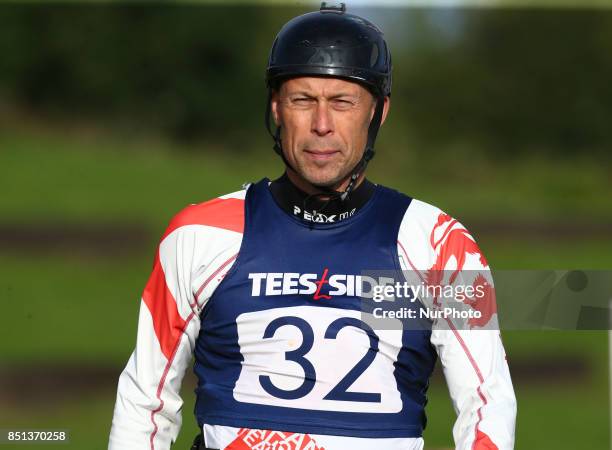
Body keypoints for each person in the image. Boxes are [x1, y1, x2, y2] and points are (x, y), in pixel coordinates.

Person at [108, 3, 516, 450]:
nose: (322, 125)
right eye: (304, 100)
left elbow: (487, 403)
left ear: (378, 112)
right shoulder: (199, 234)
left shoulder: (439, 243)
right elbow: (145, 400)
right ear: (277, 108)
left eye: (343, 102)